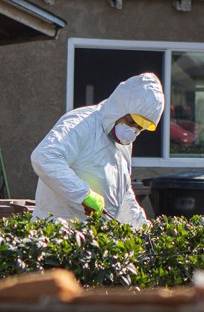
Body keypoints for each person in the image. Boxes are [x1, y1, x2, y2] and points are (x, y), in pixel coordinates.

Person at [31, 72, 165, 228]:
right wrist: (83, 195)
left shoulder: (123, 143)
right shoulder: (83, 123)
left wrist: (141, 227)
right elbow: (45, 156)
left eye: (140, 128)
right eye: (130, 121)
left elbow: (123, 194)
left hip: (93, 242)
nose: (132, 131)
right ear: (120, 107)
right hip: (58, 236)